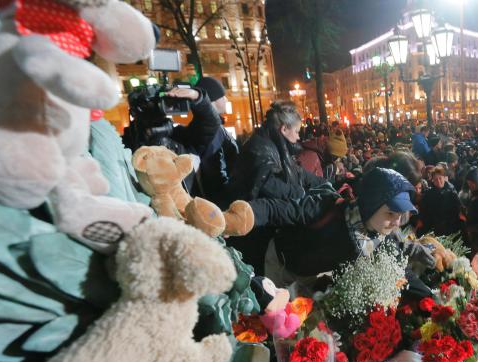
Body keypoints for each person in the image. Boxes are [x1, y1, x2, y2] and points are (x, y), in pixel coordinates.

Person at [268, 168, 435, 294]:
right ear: (371, 206)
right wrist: (249, 214)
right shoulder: (329, 209)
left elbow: (398, 265)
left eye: (400, 215)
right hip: (282, 262)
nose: (396, 222)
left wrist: (430, 296)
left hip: (310, 271)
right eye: (391, 213)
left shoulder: (379, 234)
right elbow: (280, 209)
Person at [225, 101, 332, 274]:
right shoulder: (260, 148)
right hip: (254, 230)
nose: (298, 137)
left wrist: (327, 183)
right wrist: (301, 193)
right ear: (284, 129)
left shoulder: (274, 145)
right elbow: (268, 184)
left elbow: (298, 173)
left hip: (263, 226)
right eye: (296, 131)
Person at [166, 77, 238, 204]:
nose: (226, 99)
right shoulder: (208, 130)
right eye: (223, 96)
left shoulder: (217, 129)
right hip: (216, 200)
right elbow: (217, 167)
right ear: (213, 100)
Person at [417, 165, 462, 236]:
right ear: (433, 181)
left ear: (444, 178)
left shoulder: (451, 191)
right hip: (433, 226)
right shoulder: (429, 193)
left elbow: (457, 208)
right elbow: (424, 209)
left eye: (440, 178)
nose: (438, 181)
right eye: (436, 179)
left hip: (449, 227)